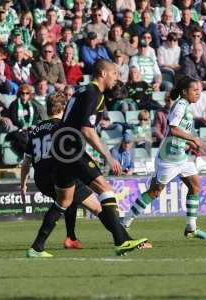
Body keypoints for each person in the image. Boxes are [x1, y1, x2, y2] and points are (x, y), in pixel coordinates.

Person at [50, 60, 149, 256]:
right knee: (105, 189)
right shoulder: (95, 94)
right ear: (103, 73)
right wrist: (109, 157)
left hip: (61, 147)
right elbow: (86, 129)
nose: (116, 77)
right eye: (114, 73)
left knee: (65, 200)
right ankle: (121, 241)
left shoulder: (81, 90)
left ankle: (38, 246)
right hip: (70, 149)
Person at [121, 77, 206, 240]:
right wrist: (194, 139)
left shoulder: (187, 106)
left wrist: (191, 145)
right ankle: (125, 221)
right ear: (184, 92)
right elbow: (173, 129)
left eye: (199, 91)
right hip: (168, 159)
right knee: (154, 192)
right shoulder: (180, 106)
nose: (198, 94)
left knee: (196, 186)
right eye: (195, 91)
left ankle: (191, 228)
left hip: (181, 157)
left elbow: (181, 133)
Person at [21, 92, 103, 257]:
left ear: (47, 108)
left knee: (67, 199)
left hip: (40, 179)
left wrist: (22, 184)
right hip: (57, 173)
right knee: (99, 208)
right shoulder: (63, 127)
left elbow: (26, 162)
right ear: (65, 107)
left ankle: (70, 238)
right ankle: (122, 237)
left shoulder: (36, 130)